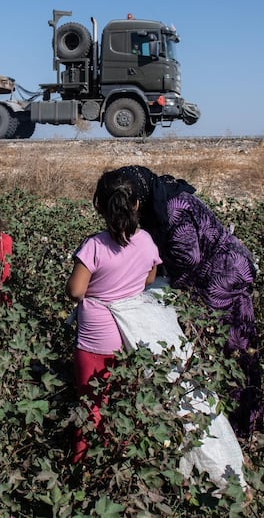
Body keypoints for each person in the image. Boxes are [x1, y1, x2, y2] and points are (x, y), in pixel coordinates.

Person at [107, 165, 261, 438]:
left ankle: (240, 429)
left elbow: (187, 259)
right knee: (223, 349)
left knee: (232, 350)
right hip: (208, 278)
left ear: (137, 201)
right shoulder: (158, 203)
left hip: (223, 278)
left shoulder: (175, 209)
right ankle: (231, 422)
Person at [66, 171, 162, 462]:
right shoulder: (146, 241)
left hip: (95, 340)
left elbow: (75, 291)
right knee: (119, 403)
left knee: (91, 406)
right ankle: (114, 462)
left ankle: (82, 465)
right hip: (129, 334)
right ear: (135, 205)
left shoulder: (94, 246)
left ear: (99, 207)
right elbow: (149, 279)